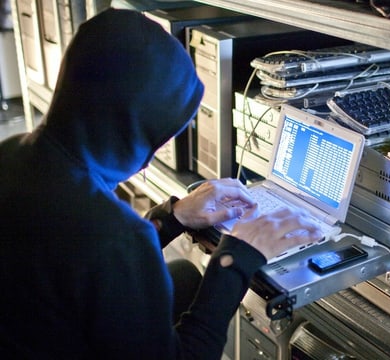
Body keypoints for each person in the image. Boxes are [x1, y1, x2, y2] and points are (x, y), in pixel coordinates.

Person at [0, 8, 321, 359]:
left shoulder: (12, 152)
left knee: (185, 277)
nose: (150, 158)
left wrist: (172, 217)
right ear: (131, 132)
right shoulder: (117, 238)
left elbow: (80, 254)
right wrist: (238, 256)